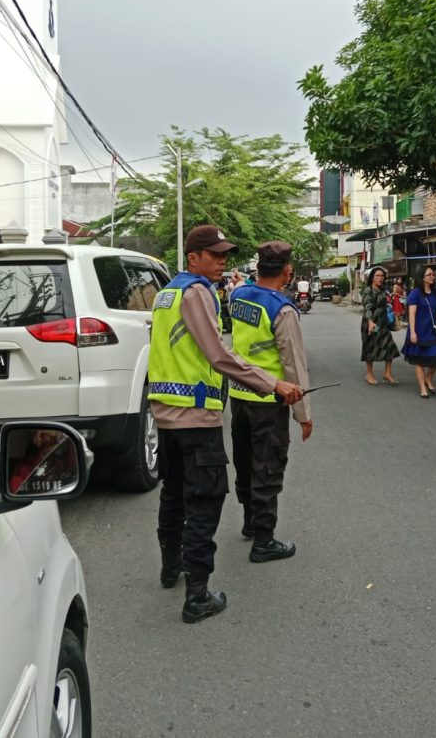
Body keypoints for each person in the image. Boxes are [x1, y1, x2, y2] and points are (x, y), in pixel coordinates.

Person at [149, 224, 303, 624]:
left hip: (166, 413)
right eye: (213, 255)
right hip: (196, 416)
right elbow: (219, 355)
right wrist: (274, 383)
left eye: (224, 256)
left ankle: (171, 568)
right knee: (203, 502)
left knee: (175, 493)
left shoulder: (167, 292)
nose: (221, 262)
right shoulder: (197, 292)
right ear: (193, 258)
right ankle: (197, 594)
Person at [229, 241, 313, 564]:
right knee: (268, 465)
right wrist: (303, 415)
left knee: (246, 461)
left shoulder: (238, 296)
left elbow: (238, 289)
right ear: (287, 271)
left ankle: (251, 521)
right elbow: (293, 365)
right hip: (269, 399)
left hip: (238, 396)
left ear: (259, 267)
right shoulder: (282, 308)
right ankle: (264, 540)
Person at [401, 267, 436, 398]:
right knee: (419, 360)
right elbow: (412, 314)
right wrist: (413, 332)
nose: (433, 276)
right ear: (422, 278)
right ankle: (422, 387)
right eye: (429, 274)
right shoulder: (415, 294)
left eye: (433, 274)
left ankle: (429, 378)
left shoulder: (435, 294)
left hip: (432, 330)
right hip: (419, 330)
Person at [360, 266, 400, 385]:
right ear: (372, 278)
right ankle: (369, 374)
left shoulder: (383, 290)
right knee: (370, 348)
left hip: (382, 323)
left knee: (390, 346)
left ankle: (387, 373)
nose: (380, 278)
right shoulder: (368, 290)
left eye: (382, 276)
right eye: (377, 276)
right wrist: (370, 322)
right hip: (371, 323)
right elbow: (367, 306)